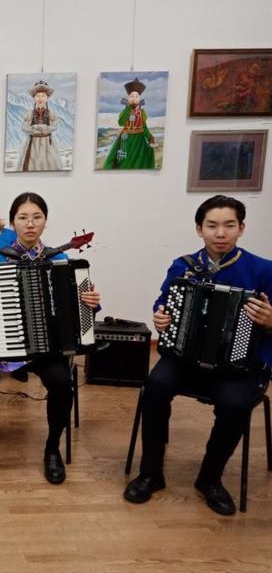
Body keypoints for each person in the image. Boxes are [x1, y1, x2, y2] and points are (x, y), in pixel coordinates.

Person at [124, 195, 272, 516]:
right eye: (212, 225)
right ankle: (151, 472)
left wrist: (270, 322)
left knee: (235, 404)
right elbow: (163, 302)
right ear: (199, 229)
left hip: (238, 365)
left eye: (229, 225)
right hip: (185, 359)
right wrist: (160, 318)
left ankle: (210, 479)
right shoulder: (184, 266)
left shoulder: (263, 270)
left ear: (241, 228)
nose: (220, 233)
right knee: (155, 386)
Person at [0, 192, 100, 484]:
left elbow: (79, 313)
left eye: (37, 217)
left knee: (61, 380)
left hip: (48, 348)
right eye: (23, 217)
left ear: (45, 221)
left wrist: (90, 302)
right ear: (13, 222)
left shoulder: (60, 260)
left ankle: (52, 447)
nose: (30, 224)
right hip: (1, 344)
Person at [102, 77, 156, 169]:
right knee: (124, 161)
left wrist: (150, 137)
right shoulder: (125, 111)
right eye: (131, 96)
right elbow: (121, 123)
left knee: (139, 160)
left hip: (139, 140)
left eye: (136, 96)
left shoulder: (142, 112)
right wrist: (128, 108)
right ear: (128, 98)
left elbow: (144, 127)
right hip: (126, 139)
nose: (134, 99)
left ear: (139, 98)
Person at [19, 80, 63, 171]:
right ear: (34, 98)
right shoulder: (30, 114)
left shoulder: (50, 113)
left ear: (47, 98)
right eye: (38, 96)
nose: (40, 99)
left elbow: (55, 125)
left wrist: (46, 129)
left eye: (43, 96)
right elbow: (24, 127)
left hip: (47, 143)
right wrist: (33, 128)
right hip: (33, 143)